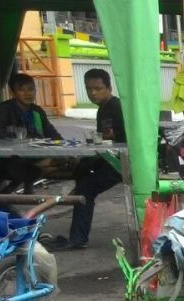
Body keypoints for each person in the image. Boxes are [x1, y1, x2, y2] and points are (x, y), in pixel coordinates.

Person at [46, 69, 125, 251]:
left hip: (121, 162)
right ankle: (77, 229)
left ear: (109, 88)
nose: (93, 93)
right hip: (108, 157)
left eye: (98, 88)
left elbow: (118, 143)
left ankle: (78, 238)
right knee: (79, 171)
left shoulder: (115, 108)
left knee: (85, 188)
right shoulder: (104, 110)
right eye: (89, 89)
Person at [0, 72, 63, 193]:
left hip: (34, 156)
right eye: (22, 90)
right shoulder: (3, 109)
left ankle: (15, 186)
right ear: (12, 93)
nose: (28, 93)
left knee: (68, 161)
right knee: (34, 168)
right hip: (9, 159)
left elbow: (53, 135)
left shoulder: (37, 111)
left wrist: (63, 145)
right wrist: (16, 133)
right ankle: (14, 188)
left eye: (31, 89)